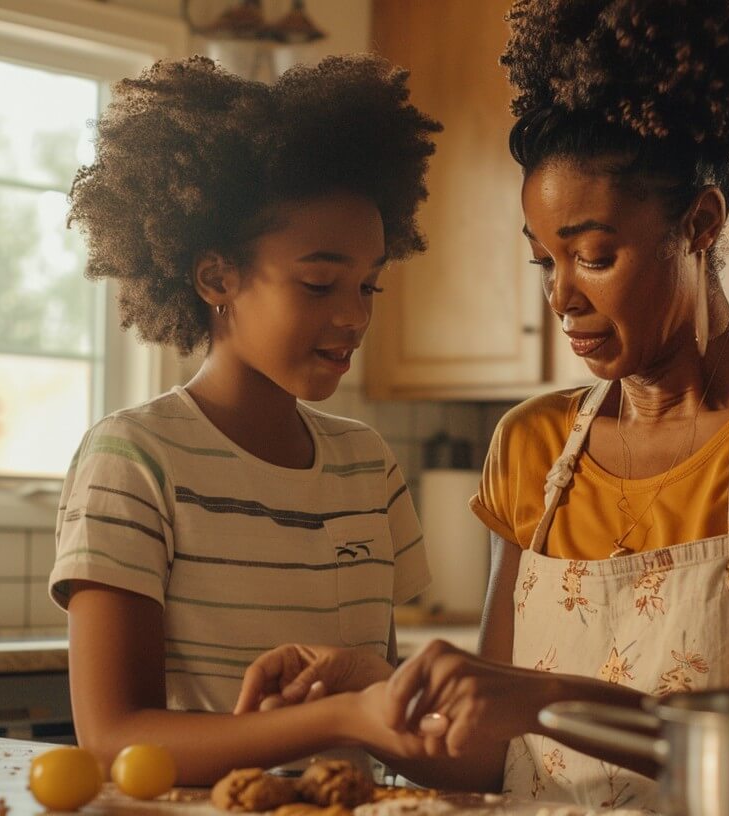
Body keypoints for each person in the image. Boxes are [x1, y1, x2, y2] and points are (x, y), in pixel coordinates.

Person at [236, 0, 729, 808]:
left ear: (700, 223)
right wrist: (372, 696)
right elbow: (492, 756)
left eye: (593, 255)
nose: (562, 296)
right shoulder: (532, 444)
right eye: (543, 260)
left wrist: (541, 697)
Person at [49, 54, 440, 784]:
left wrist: (378, 698)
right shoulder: (135, 460)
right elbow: (112, 740)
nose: (354, 315)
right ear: (214, 277)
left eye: (368, 284)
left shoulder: (367, 466)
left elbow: (378, 695)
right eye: (320, 282)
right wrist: (336, 717)